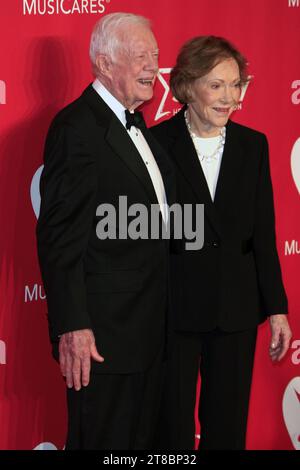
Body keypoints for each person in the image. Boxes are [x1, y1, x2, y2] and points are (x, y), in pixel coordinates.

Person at [36, 12, 175, 450]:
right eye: (140, 56)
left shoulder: (137, 126)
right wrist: (73, 325)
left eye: (154, 54)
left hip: (149, 332)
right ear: (104, 63)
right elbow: (59, 237)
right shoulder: (77, 128)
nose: (153, 65)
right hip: (104, 341)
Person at [151, 35, 292, 450]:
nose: (230, 97)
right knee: (170, 430)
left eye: (235, 85)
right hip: (174, 310)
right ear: (186, 87)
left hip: (236, 309)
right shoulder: (157, 145)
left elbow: (264, 235)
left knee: (227, 428)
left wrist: (278, 310)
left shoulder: (254, 145)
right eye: (216, 85)